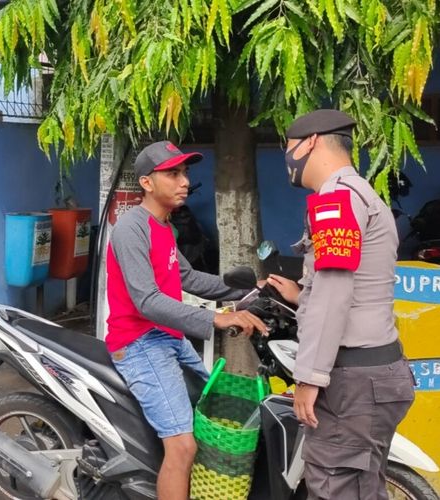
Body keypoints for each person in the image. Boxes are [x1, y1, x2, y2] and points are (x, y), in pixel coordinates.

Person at [106, 141, 268, 500]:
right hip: (139, 343)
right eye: (174, 173)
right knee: (183, 446)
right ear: (147, 183)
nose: (184, 181)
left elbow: (188, 278)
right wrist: (215, 320)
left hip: (169, 338)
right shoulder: (132, 229)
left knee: (210, 411)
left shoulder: (164, 227)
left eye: (185, 173)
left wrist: (252, 290)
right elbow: (146, 300)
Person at [266, 109, 415, 500]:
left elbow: (334, 294)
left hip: (354, 382)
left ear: (311, 142)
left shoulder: (335, 199)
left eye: (289, 148)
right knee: (363, 488)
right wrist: (300, 295)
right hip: (378, 373)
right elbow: (349, 283)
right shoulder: (365, 195)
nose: (287, 158)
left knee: (335, 487)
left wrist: (308, 377)